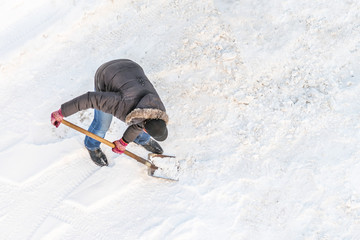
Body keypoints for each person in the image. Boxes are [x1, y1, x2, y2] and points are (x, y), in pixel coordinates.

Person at [51, 59, 168, 167]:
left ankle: (141, 139)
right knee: (102, 123)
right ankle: (92, 145)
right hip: (107, 73)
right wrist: (62, 112)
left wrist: (124, 142)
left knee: (143, 123)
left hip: (132, 69)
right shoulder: (121, 104)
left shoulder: (159, 110)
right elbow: (90, 99)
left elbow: (141, 123)